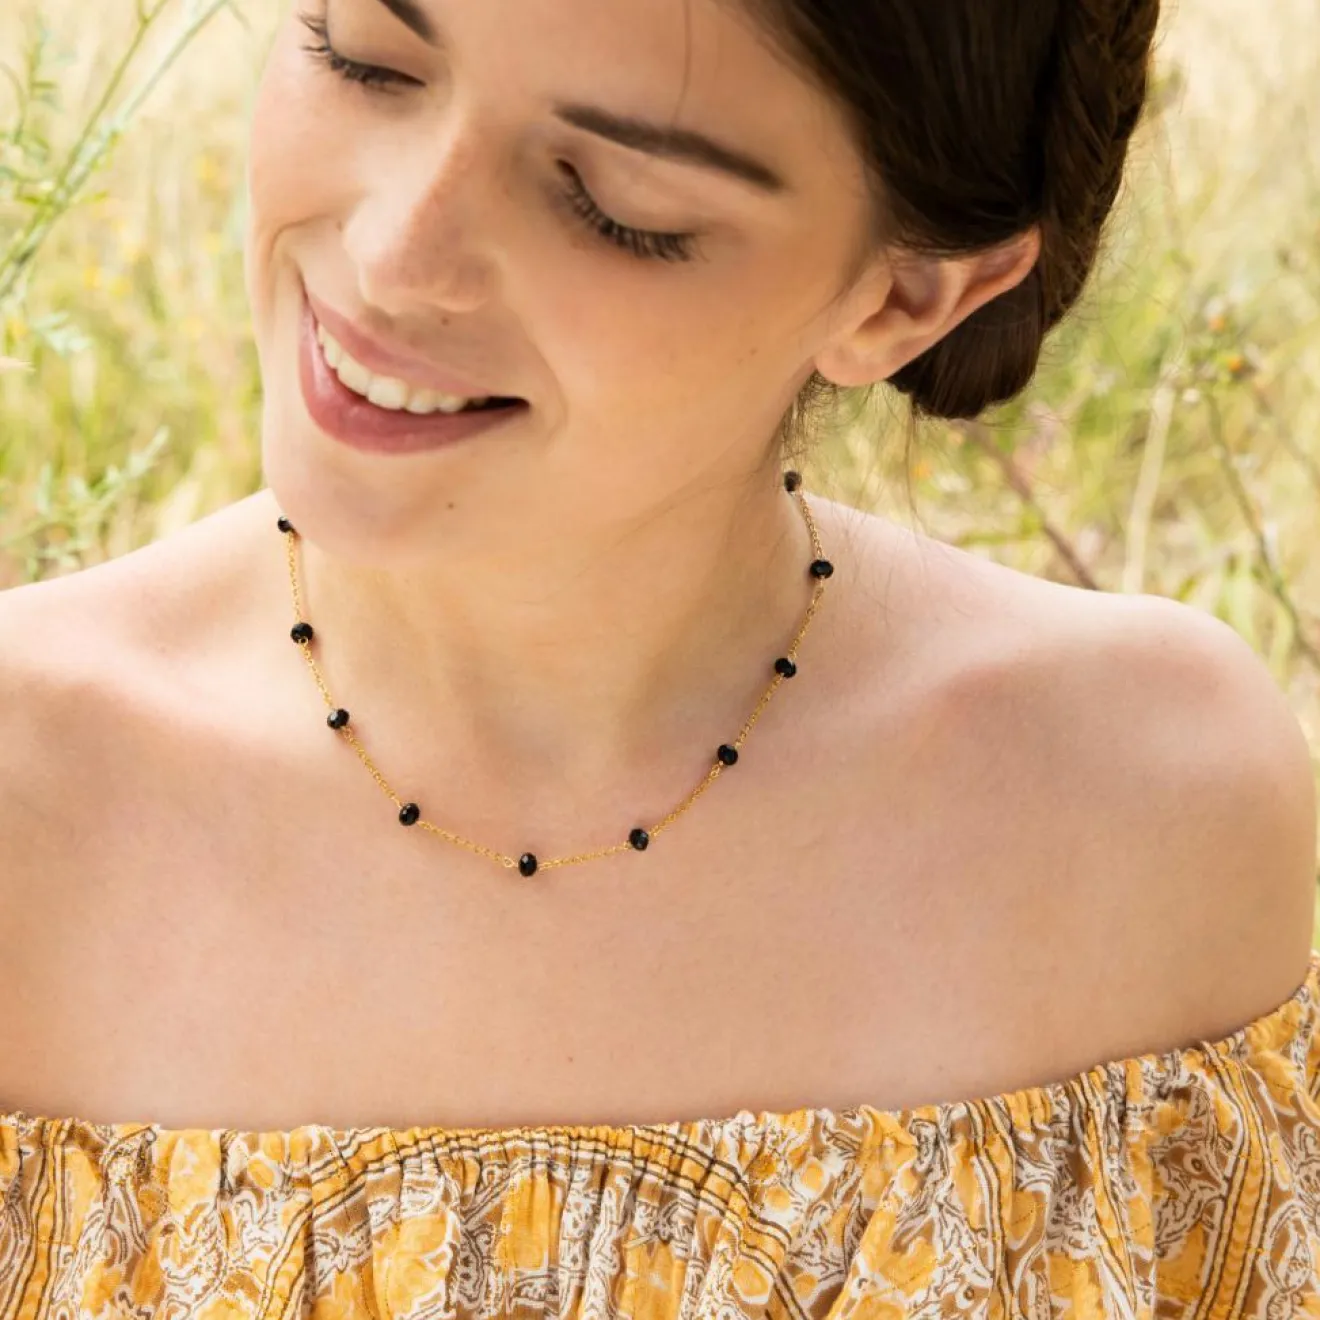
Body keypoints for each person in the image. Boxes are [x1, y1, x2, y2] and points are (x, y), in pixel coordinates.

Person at [1, 0, 1317, 1313]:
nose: (394, 256)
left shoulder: (1149, 814)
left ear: (905, 296)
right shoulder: (27, 801)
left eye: (616, 204)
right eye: (364, 57)